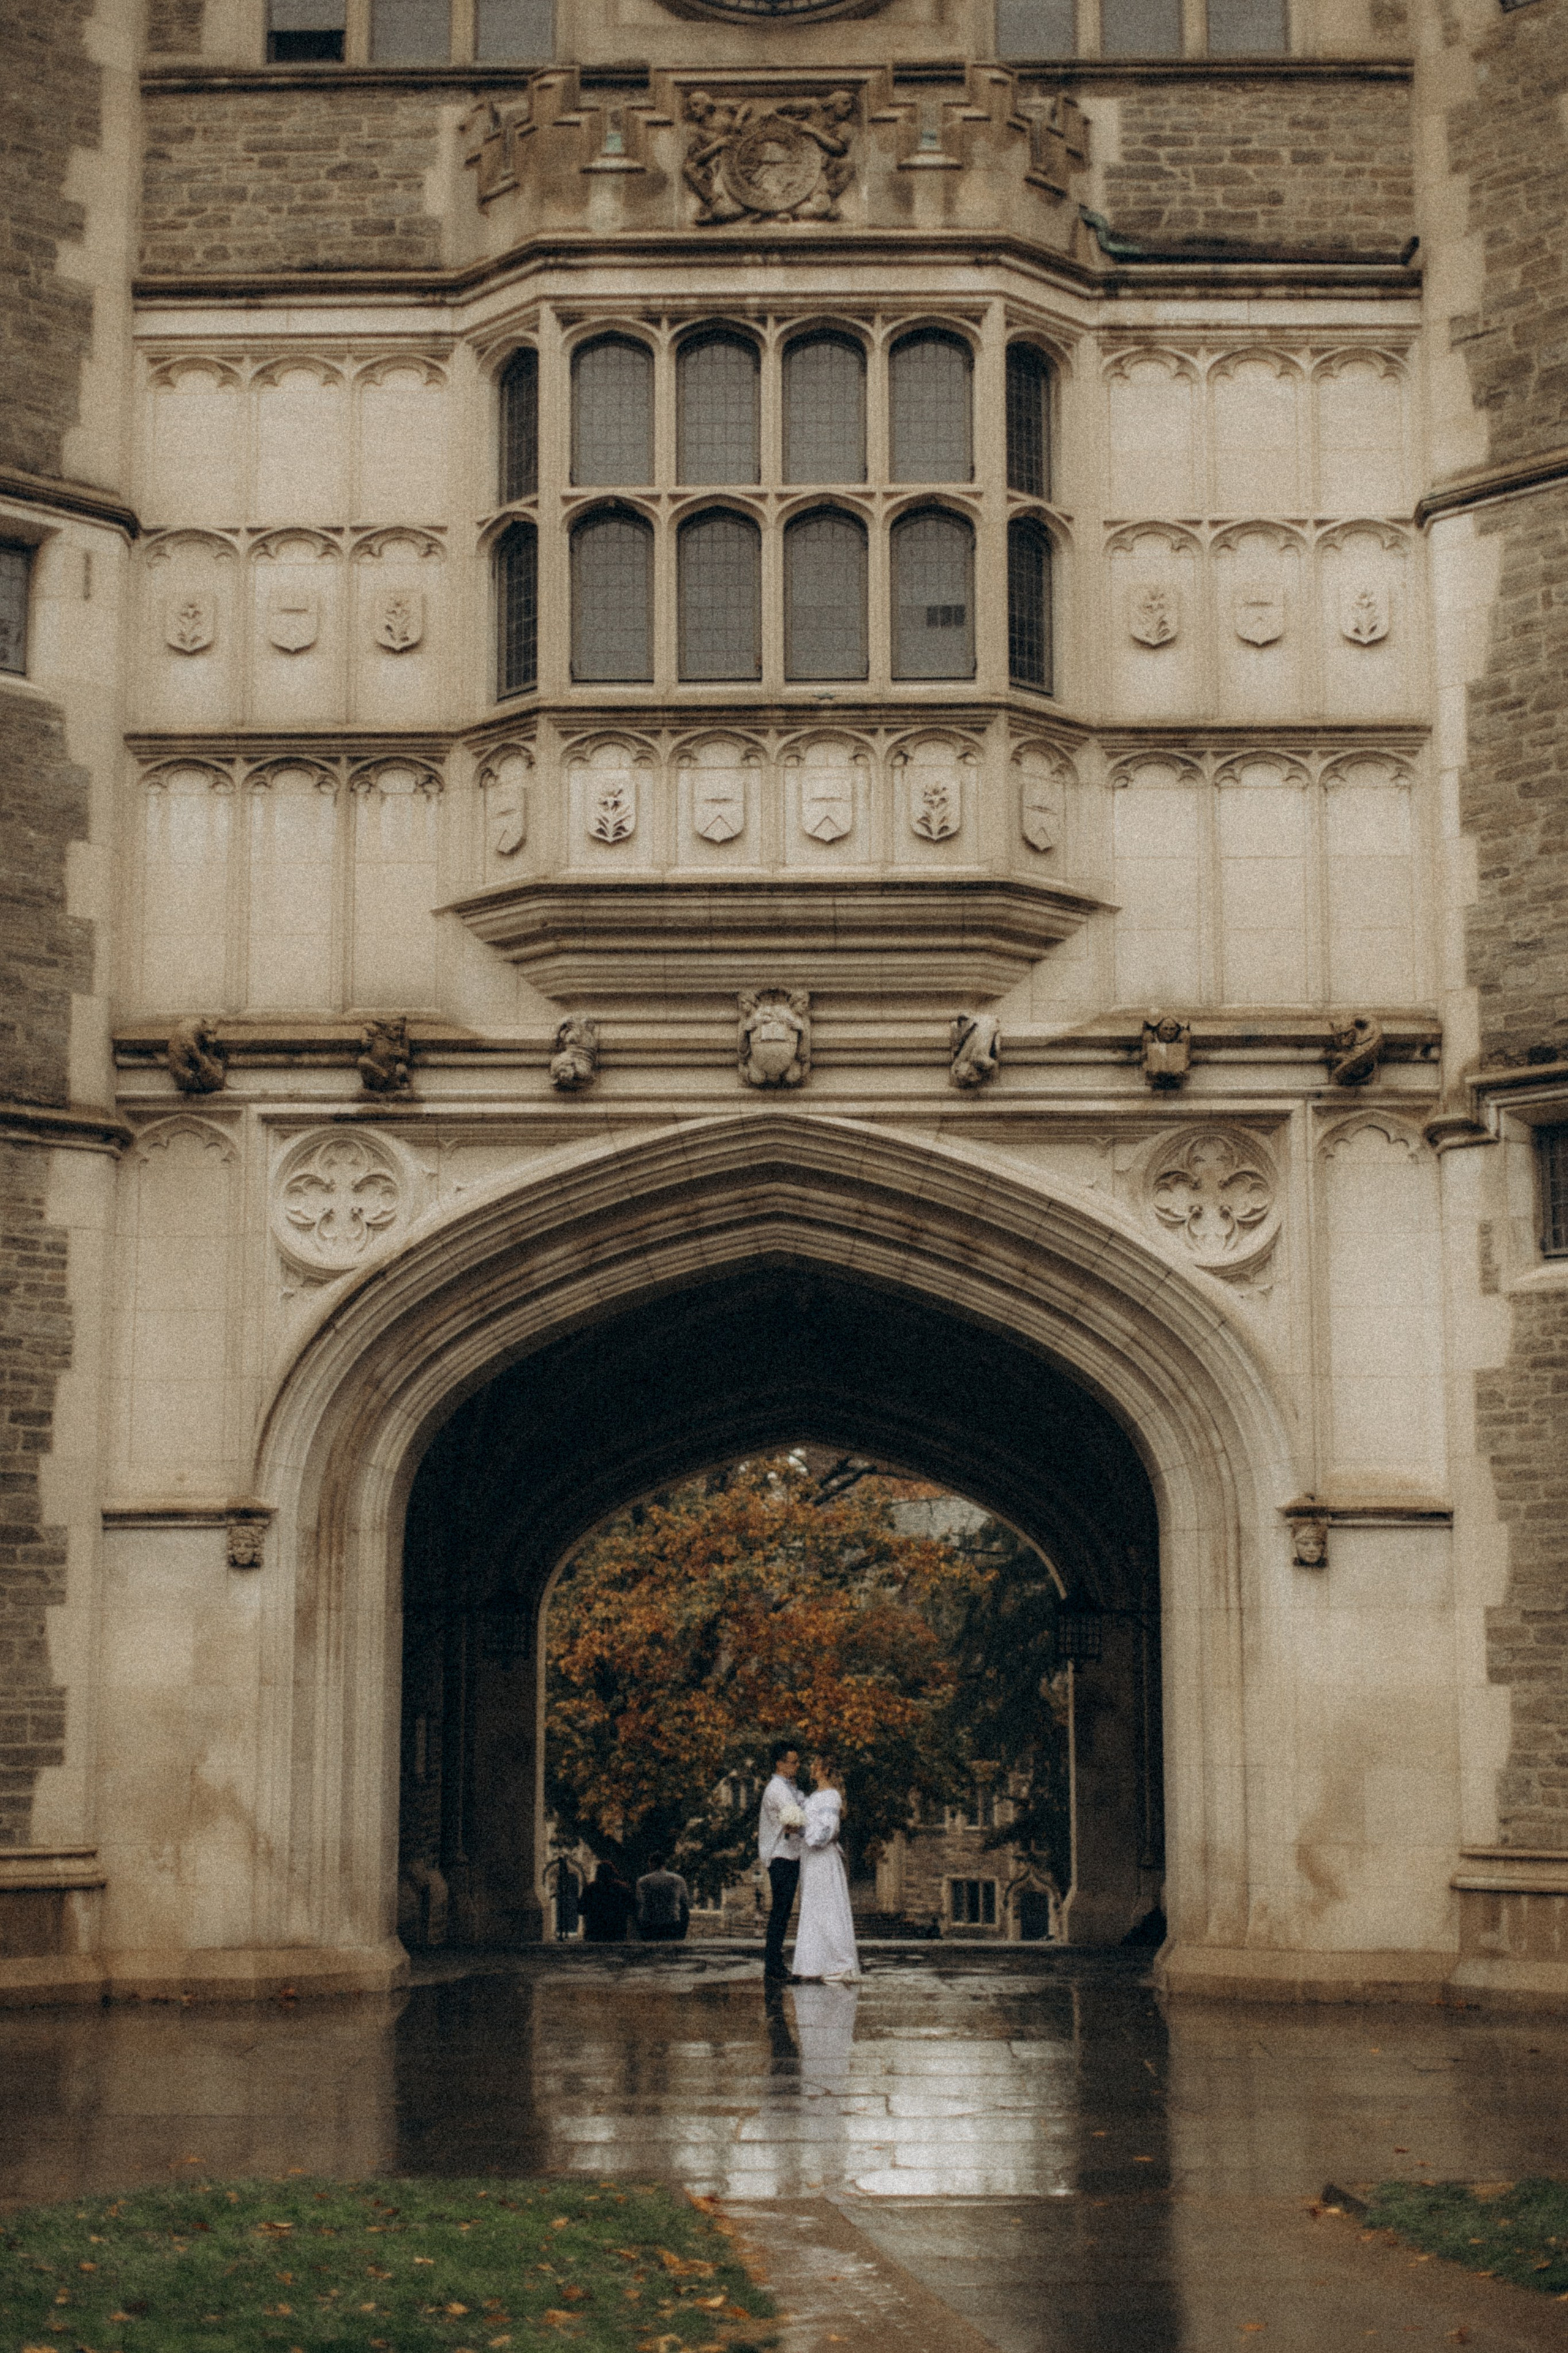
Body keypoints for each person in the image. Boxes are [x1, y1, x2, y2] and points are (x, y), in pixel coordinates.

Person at [792, 1756, 862, 1984]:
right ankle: (817, 1963)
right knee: (815, 1909)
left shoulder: (831, 1796)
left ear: (825, 1770)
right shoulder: (815, 1796)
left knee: (828, 1908)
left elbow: (828, 1830)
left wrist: (802, 1831)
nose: (811, 1767)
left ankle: (842, 1964)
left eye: (816, 1765)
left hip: (822, 1858)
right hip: (812, 1860)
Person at [758, 1739, 805, 1982]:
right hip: (781, 1855)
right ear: (779, 1764)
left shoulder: (789, 1787)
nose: (797, 1766)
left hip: (790, 1854)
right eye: (792, 1762)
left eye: (798, 1762)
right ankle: (773, 1964)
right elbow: (794, 1818)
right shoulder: (777, 1789)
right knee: (780, 1910)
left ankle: (774, 1962)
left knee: (784, 1911)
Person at [634, 1854, 690, 1942]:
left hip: (649, 1923)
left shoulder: (643, 1881)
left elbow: (639, 1902)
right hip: (672, 1921)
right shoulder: (678, 1880)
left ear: (652, 1864)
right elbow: (684, 1902)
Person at [579, 1860, 635, 1943]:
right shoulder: (622, 1888)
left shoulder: (590, 1888)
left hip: (595, 1931)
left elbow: (581, 1909)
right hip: (617, 1932)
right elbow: (632, 1908)